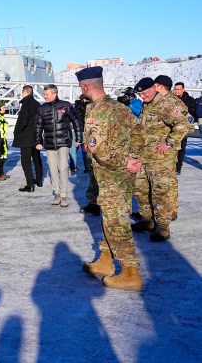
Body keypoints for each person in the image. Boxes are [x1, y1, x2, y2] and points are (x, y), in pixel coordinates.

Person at [77, 66, 144, 291]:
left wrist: (125, 162)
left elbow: (99, 150)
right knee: (112, 217)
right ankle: (106, 259)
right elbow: (138, 134)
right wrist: (134, 159)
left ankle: (130, 272)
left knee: (116, 221)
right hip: (124, 175)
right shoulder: (121, 108)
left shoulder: (97, 112)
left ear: (86, 86)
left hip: (111, 175)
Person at [130, 77, 194, 241]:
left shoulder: (166, 104)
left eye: (145, 93)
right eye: (140, 95)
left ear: (154, 88)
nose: (143, 97)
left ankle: (163, 228)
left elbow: (184, 125)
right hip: (144, 157)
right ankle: (148, 220)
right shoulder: (147, 104)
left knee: (160, 193)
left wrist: (170, 142)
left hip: (160, 160)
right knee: (141, 190)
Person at [35, 84, 83, 207]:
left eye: (47, 94)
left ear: (54, 94)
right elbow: (38, 126)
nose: (45, 96)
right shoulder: (42, 108)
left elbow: (76, 121)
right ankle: (56, 192)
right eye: (44, 94)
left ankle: (63, 195)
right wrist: (38, 141)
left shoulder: (65, 105)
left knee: (62, 167)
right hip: (49, 143)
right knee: (52, 168)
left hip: (64, 141)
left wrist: (79, 138)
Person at [13, 85, 42, 192]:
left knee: (26, 161)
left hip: (26, 137)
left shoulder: (26, 104)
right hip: (36, 136)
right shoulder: (37, 104)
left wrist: (16, 131)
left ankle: (30, 185)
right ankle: (39, 180)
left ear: (24, 92)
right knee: (36, 158)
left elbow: (23, 121)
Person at [173, 81, 197, 174]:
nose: (177, 91)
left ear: (183, 89)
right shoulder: (169, 99)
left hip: (183, 127)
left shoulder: (189, 100)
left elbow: (192, 113)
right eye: (175, 89)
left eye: (179, 89)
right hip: (171, 126)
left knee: (181, 148)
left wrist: (183, 112)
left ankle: (178, 167)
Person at [0, 101, 9, 179]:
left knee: (3, 156)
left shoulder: (2, 117)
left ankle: (1, 172)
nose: (5, 109)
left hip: (3, 139)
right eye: (3, 107)